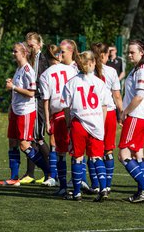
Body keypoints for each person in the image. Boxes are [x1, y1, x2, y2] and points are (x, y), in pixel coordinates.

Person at [61, 51, 110, 202]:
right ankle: (103, 188)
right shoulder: (100, 83)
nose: (95, 64)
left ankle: (76, 193)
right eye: (94, 62)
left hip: (79, 123)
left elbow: (66, 107)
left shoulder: (71, 82)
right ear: (90, 63)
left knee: (77, 158)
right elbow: (104, 106)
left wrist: (69, 123)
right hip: (95, 123)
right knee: (96, 157)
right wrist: (100, 124)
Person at [0, 42, 49, 186]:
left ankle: (49, 173)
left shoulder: (28, 70)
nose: (13, 54)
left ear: (24, 53)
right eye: (13, 51)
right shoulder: (19, 69)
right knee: (12, 142)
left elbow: (31, 93)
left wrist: (13, 86)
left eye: (15, 52)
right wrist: (10, 106)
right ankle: (14, 177)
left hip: (25, 112)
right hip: (16, 110)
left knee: (24, 145)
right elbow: (18, 90)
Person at [118, 40, 144, 203]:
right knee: (137, 153)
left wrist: (124, 112)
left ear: (142, 53)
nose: (129, 55)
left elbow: (139, 96)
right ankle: (142, 191)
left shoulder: (142, 70)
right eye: (128, 52)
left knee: (123, 154)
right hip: (140, 116)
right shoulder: (137, 69)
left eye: (132, 52)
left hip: (136, 116)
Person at [39, 44, 77, 195]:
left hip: (59, 114)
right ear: (59, 56)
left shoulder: (45, 75)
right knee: (76, 150)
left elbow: (46, 101)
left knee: (61, 152)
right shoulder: (71, 70)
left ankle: (62, 186)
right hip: (74, 112)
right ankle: (78, 183)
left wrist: (48, 122)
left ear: (48, 58)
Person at [89, 42, 123, 194]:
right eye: (108, 54)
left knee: (93, 151)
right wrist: (121, 113)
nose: (109, 57)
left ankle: (96, 185)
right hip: (108, 112)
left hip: (91, 114)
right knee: (108, 150)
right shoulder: (111, 71)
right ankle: (107, 185)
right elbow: (116, 96)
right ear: (102, 55)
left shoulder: (87, 72)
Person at [59, 39, 90, 190]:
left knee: (76, 148)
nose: (60, 54)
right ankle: (77, 179)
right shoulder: (62, 68)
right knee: (72, 148)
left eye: (62, 51)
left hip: (75, 114)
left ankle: (80, 180)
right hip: (68, 113)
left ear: (71, 51)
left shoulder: (75, 70)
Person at [19, 32, 50, 185]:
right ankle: (30, 173)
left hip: (38, 101)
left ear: (39, 44)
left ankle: (52, 172)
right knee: (30, 138)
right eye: (28, 45)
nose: (29, 48)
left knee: (38, 137)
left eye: (32, 45)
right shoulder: (29, 59)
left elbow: (42, 81)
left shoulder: (43, 60)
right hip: (29, 101)